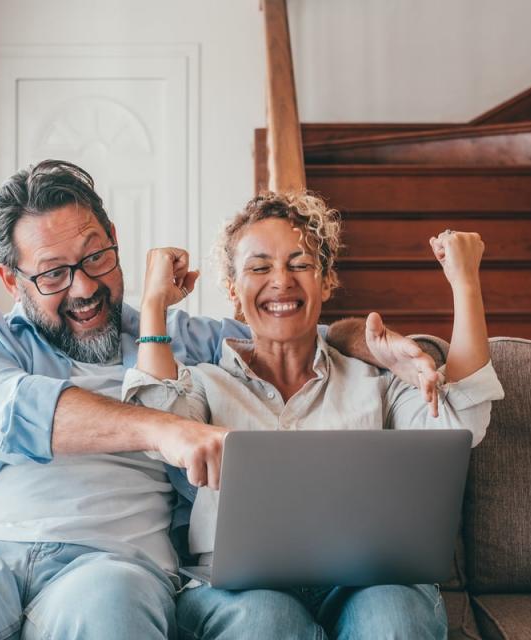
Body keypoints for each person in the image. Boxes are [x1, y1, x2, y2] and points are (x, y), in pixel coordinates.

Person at [0, 161, 442, 640]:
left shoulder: (183, 341)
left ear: (116, 241)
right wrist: (161, 430)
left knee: (111, 612)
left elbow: (281, 331)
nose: (85, 286)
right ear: (12, 279)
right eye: (53, 273)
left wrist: (372, 341)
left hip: (113, 560)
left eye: (96, 256)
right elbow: (2, 407)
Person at [124, 191, 506, 640]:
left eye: (299, 264)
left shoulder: (376, 381)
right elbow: (155, 422)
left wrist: (465, 282)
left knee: (395, 617)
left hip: (366, 581)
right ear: (232, 291)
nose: (281, 281)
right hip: (241, 592)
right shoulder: (206, 386)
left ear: (325, 282)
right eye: (259, 267)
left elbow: (461, 422)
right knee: (267, 622)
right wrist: (153, 305)